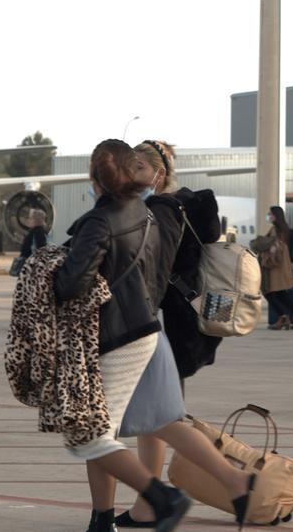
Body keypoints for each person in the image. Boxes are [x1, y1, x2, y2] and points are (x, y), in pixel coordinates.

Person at [51, 139, 196, 532]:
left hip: (121, 334)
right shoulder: (142, 213)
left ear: (95, 178)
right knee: (131, 426)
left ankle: (163, 497)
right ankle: (104, 518)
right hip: (142, 329)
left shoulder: (105, 220)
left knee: (92, 434)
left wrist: (50, 275)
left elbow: (72, 283)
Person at [113, 139, 256, 528]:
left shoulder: (161, 211)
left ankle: (231, 481)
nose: (130, 175)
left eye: (138, 168)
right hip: (176, 323)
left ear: (157, 173)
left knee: (155, 418)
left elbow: (149, 269)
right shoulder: (180, 207)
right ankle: (149, 504)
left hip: (162, 324)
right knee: (155, 417)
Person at [254, 206, 293, 330]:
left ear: (275, 216)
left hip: (276, 266)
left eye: (270, 214)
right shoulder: (283, 229)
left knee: (269, 293)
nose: (268, 216)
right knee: (280, 294)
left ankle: (284, 317)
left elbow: (273, 247)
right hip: (281, 266)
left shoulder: (277, 230)